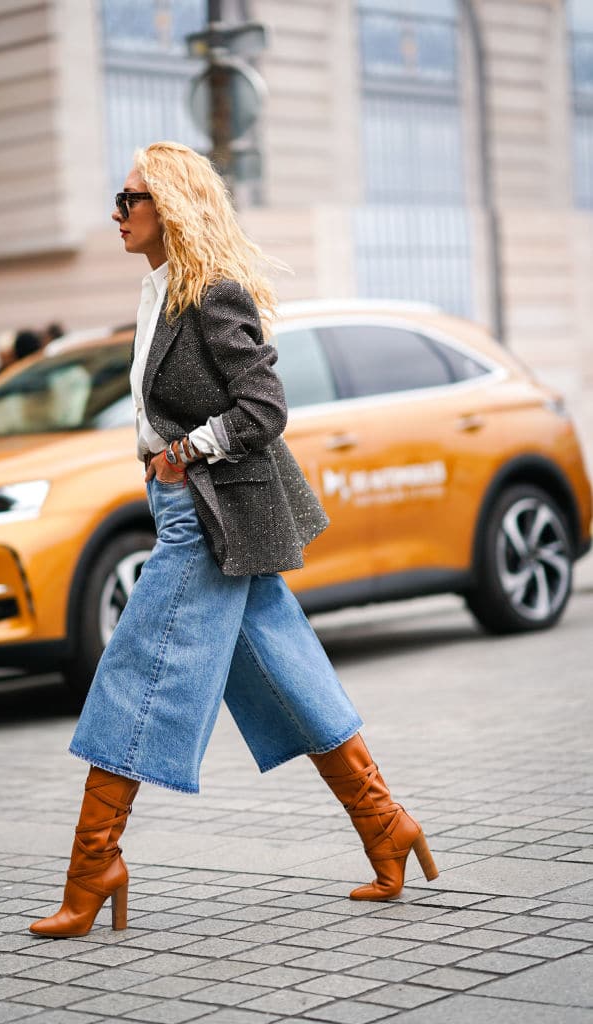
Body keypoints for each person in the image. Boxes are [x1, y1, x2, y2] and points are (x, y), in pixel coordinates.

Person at [29, 141, 438, 939]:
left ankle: (92, 869)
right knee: (287, 671)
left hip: (208, 518)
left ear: (169, 207)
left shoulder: (211, 293)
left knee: (137, 675)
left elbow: (264, 408)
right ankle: (385, 826)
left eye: (129, 199)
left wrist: (183, 454)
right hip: (199, 511)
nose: (117, 213)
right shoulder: (157, 292)